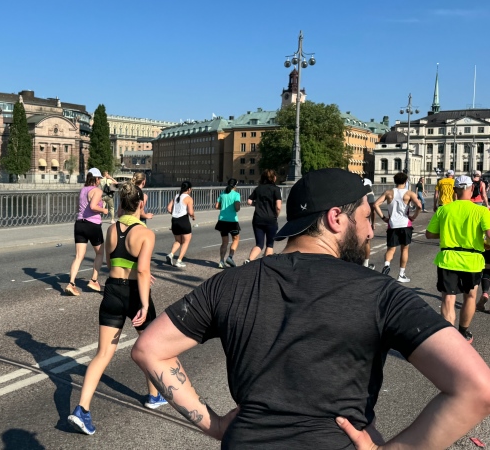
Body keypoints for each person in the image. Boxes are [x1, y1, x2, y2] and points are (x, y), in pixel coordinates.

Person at [132, 168, 490, 448]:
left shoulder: (231, 283)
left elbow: (149, 348)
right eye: (366, 218)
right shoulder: (381, 293)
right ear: (336, 218)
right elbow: (477, 388)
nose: (370, 232)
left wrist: (215, 424)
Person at [68, 182, 165, 436]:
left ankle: (82, 409)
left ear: (121, 203)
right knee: (150, 347)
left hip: (112, 290)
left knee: (102, 354)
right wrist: (144, 303)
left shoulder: (112, 229)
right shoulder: (145, 233)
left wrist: (135, 271)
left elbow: (112, 263)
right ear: (141, 204)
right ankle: (153, 396)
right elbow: (142, 270)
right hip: (134, 294)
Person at [426, 175, 490, 343]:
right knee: (470, 297)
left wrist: (447, 233)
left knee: (448, 298)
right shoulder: (482, 211)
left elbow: (429, 234)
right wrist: (484, 242)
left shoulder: (444, 209)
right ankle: (463, 332)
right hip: (472, 260)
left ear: (455, 190)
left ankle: (449, 339)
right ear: (472, 189)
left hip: (448, 258)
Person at [66, 168, 109, 296]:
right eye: (99, 178)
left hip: (80, 224)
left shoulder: (83, 190)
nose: (100, 181)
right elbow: (93, 207)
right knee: (100, 253)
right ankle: (93, 281)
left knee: (79, 256)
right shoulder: (97, 191)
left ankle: (71, 284)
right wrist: (104, 210)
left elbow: (83, 207)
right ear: (96, 179)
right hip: (92, 225)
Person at [373, 172, 421, 283]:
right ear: (405, 181)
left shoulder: (388, 193)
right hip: (405, 224)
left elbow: (375, 204)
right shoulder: (409, 193)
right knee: (404, 249)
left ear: (395, 181)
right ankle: (401, 274)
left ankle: (387, 265)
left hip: (392, 224)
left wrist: (383, 218)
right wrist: (413, 217)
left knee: (391, 248)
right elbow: (419, 206)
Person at [245, 169, 282, 265]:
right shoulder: (276, 189)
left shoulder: (258, 189)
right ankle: (266, 265)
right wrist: (276, 215)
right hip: (271, 219)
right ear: (273, 178)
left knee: (259, 244)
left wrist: (257, 204)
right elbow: (278, 207)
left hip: (257, 219)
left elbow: (249, 201)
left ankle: (249, 260)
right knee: (269, 244)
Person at [166, 181, 194, 268]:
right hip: (183, 220)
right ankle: (179, 260)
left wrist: (175, 214)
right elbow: (190, 212)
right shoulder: (188, 198)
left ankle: (171, 254)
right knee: (186, 241)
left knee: (178, 241)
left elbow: (168, 208)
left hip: (174, 220)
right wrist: (193, 216)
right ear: (189, 189)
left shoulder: (176, 196)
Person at [214, 178, 241, 269]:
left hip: (222, 220)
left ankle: (221, 261)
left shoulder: (222, 194)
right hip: (232, 221)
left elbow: (216, 206)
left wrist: (223, 208)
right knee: (236, 239)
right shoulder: (236, 194)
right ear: (235, 185)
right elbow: (237, 208)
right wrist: (236, 208)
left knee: (224, 242)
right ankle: (230, 257)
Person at [361, 178, 376, 270]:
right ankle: (365, 264)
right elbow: (373, 210)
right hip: (364, 220)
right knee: (366, 242)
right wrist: (373, 223)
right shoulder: (369, 193)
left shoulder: (354, 192)